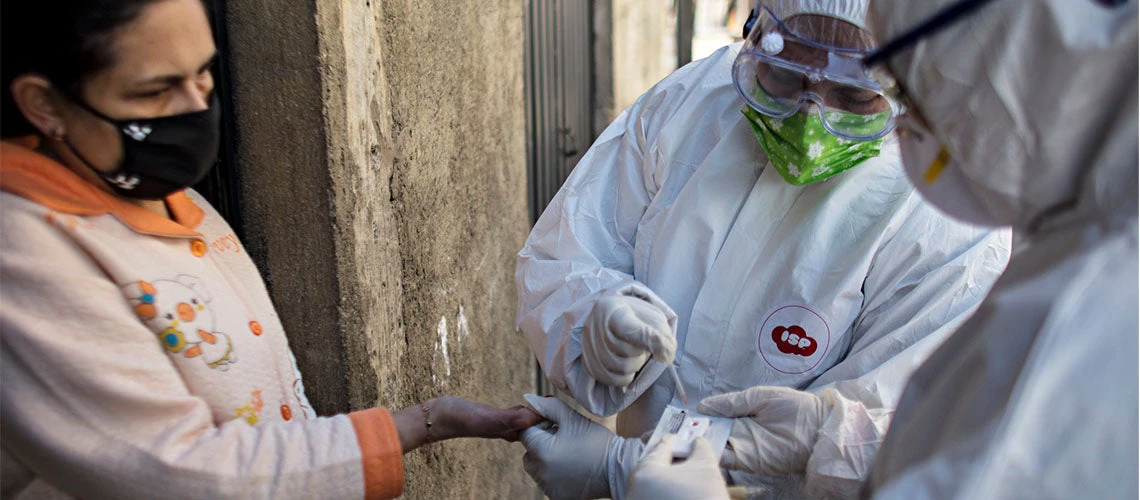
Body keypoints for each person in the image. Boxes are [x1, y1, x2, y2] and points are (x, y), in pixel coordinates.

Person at [0, 1, 542, 498]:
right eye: (155, 90)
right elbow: (174, 472)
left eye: (203, 73)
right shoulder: (23, 251)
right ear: (44, 104)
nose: (196, 108)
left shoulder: (173, 198)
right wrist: (420, 424)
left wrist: (429, 420)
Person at [516, 0, 1012, 498]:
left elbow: (910, 443)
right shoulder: (697, 100)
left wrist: (622, 467)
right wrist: (593, 324)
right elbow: (567, 254)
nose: (810, 117)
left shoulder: (954, 214)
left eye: (855, 92)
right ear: (760, 32)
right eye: (786, 72)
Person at [855, 0, 1138, 497]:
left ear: (1005, 67)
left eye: (906, 90)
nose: (911, 127)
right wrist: (832, 439)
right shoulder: (1082, 230)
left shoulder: (1091, 301)